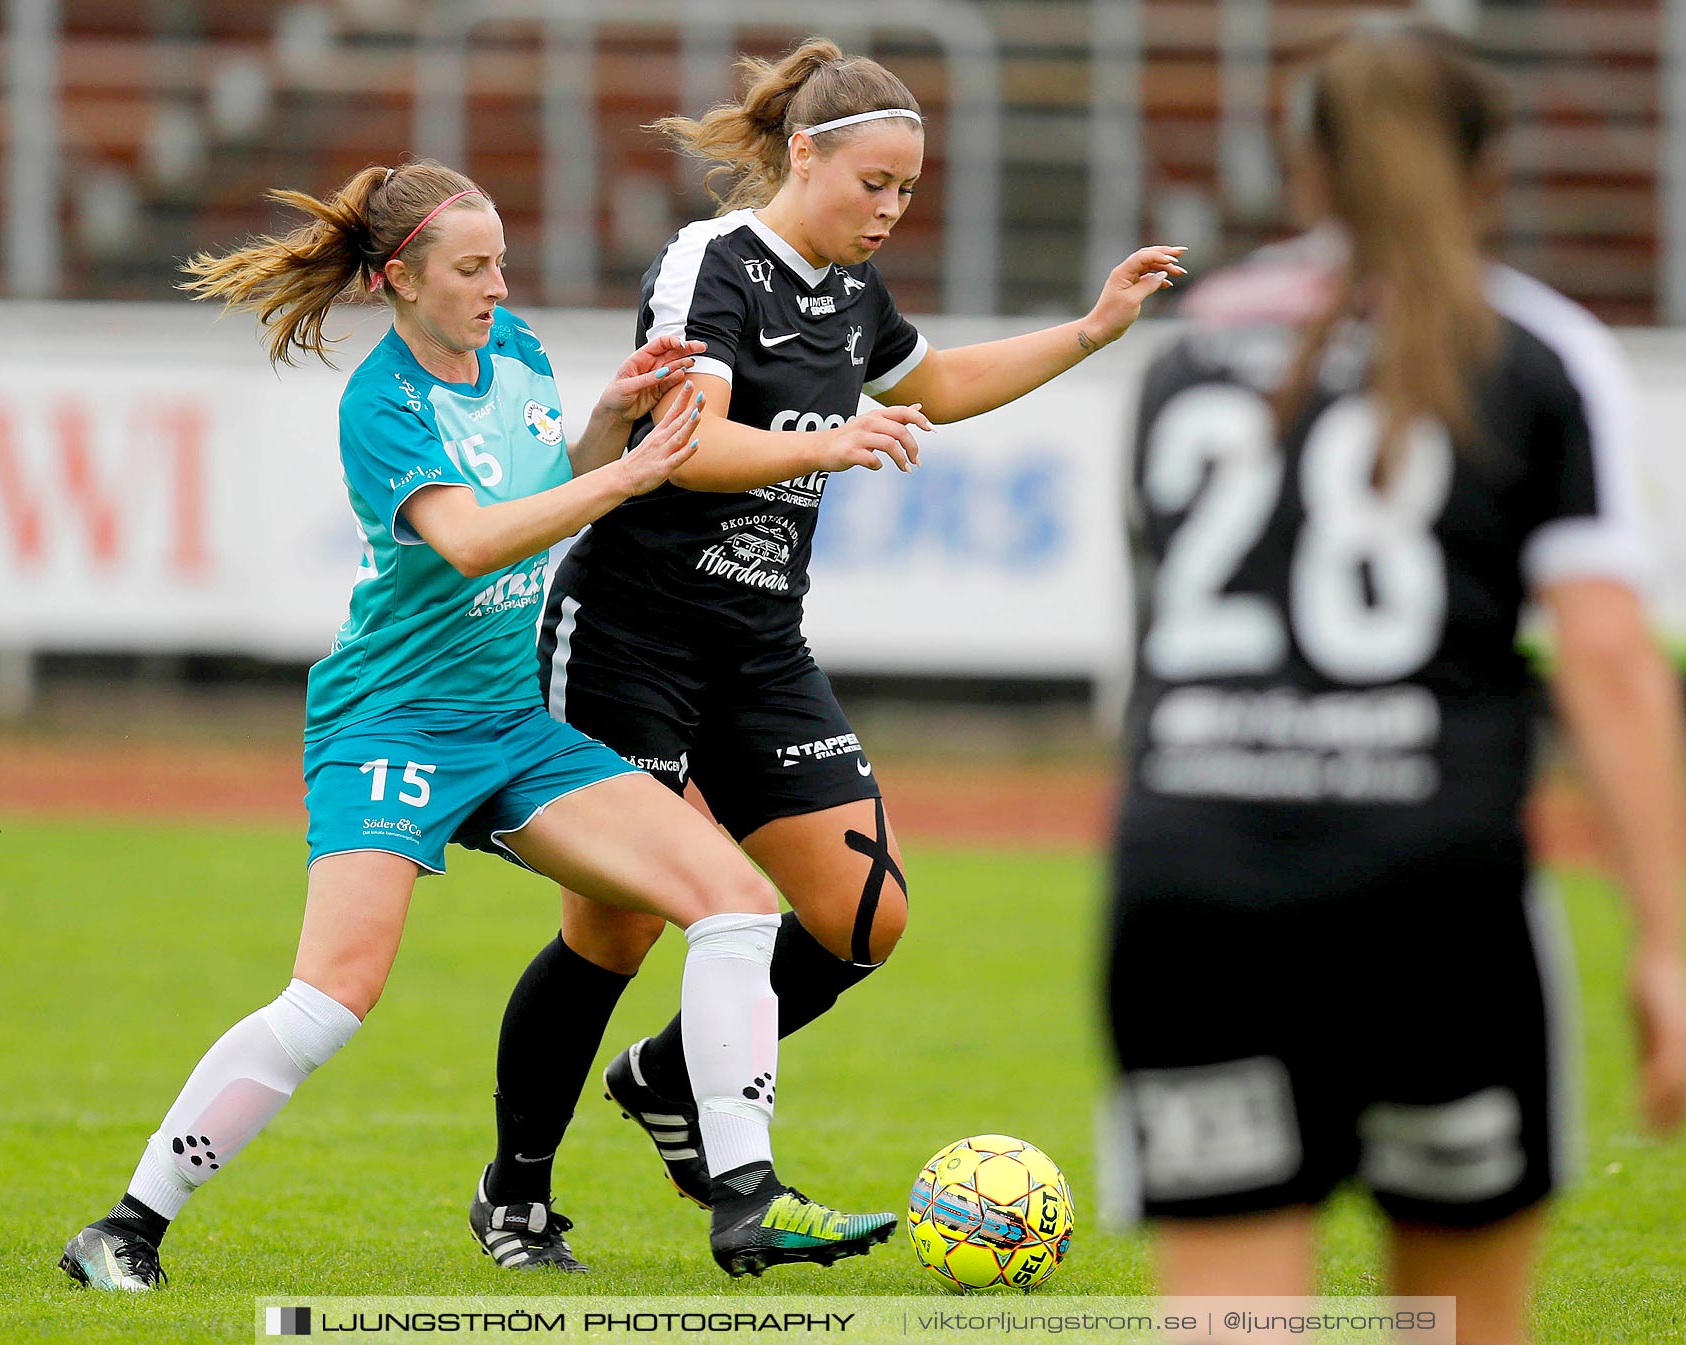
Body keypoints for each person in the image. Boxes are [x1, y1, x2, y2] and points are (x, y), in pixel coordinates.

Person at [57, 159, 895, 1291]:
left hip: (508, 722)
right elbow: (474, 539)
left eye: (501, 260)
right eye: (472, 267)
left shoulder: (521, 359)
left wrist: (607, 418)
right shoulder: (383, 402)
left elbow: (551, 475)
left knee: (737, 903)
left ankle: (747, 1202)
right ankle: (127, 1224)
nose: (498, 284)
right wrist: (636, 472)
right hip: (390, 723)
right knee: (329, 1001)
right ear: (401, 279)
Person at [475, 36, 1187, 1253]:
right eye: (876, 184)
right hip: (631, 638)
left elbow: (937, 383)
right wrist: (828, 442)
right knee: (618, 926)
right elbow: (678, 444)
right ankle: (518, 1190)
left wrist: (1091, 329)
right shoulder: (714, 262)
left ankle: (670, 1082)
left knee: (865, 915)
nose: (892, 211)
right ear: (803, 154)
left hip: (758, 647)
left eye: (910, 191)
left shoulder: (853, 295)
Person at [1101, 22, 1686, 1344]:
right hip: (1433, 892)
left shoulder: (1194, 341)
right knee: (1455, 1320)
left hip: (1192, 883)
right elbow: (1607, 658)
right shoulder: (1533, 346)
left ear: (1302, 166)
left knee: (1227, 1320)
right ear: (1489, 172)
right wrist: (1664, 945)